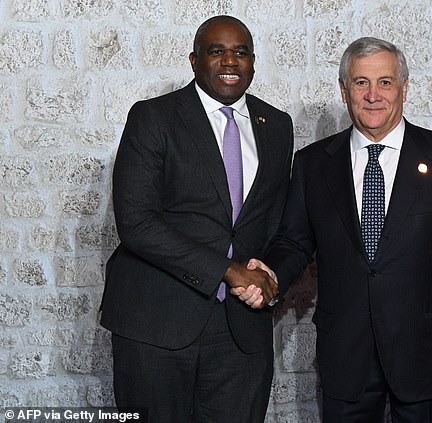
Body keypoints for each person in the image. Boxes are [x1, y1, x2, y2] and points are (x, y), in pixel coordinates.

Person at [236, 37, 432, 422]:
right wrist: (270, 274)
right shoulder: (313, 165)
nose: (374, 95)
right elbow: (294, 241)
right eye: (361, 83)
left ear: (404, 88)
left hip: (426, 358)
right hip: (347, 359)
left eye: (385, 82)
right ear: (344, 90)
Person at [99, 15, 293, 423]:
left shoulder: (276, 125)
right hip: (157, 324)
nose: (230, 61)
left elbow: (274, 223)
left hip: (242, 332)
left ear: (253, 62)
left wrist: (268, 282)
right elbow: (136, 223)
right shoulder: (154, 117)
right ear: (193, 60)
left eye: (240, 52)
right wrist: (229, 271)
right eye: (216, 51)